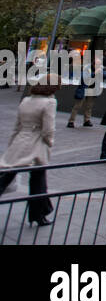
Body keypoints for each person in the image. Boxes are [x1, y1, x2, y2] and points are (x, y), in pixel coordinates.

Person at [0, 74, 58, 227]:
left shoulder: (26, 100)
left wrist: (12, 144)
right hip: (36, 143)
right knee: (38, 180)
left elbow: (17, 126)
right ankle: (38, 215)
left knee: (6, 176)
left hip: (20, 141)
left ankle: (40, 213)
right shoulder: (50, 102)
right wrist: (50, 143)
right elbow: (48, 130)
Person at [67, 54, 97, 128]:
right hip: (83, 89)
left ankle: (87, 120)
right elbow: (84, 76)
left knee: (89, 106)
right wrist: (94, 73)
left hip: (92, 89)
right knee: (77, 106)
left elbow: (104, 75)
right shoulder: (87, 68)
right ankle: (71, 121)